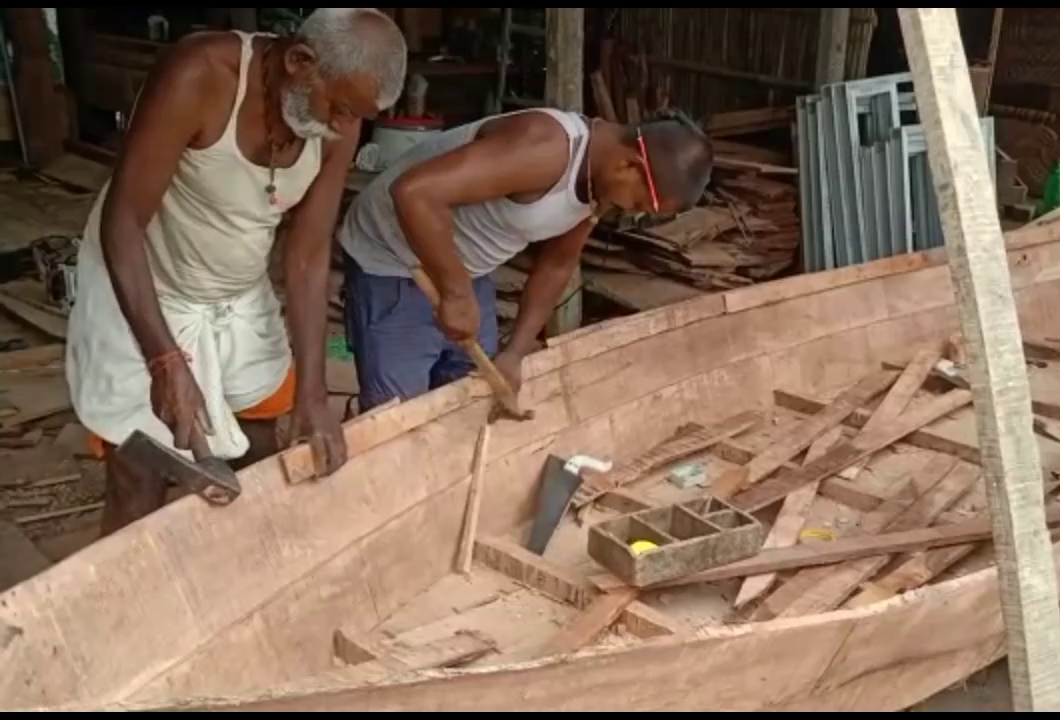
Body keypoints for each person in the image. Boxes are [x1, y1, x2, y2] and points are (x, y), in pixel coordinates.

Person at [65, 8, 408, 535]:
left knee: (270, 440)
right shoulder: (200, 75)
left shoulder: (341, 113)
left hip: (234, 293)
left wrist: (314, 393)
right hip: (143, 285)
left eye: (354, 117)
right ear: (299, 61)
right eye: (338, 108)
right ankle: (130, 607)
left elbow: (309, 256)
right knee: (141, 468)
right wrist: (163, 359)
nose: (343, 129)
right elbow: (123, 224)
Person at [338, 107, 714, 412]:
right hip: (393, 260)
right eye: (637, 203)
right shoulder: (546, 148)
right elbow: (415, 193)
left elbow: (557, 264)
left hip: (465, 270)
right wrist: (455, 293)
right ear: (629, 166)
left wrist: (516, 351)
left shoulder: (597, 186)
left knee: (466, 403)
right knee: (400, 416)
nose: (630, 213)